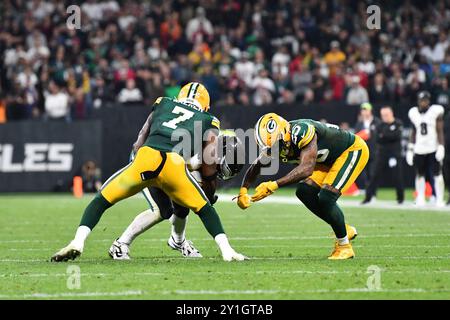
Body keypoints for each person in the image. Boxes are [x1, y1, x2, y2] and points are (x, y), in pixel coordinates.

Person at [51, 82, 247, 262]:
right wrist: (209, 192)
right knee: (194, 208)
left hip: (146, 156)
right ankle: (227, 250)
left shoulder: (164, 103)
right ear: (206, 107)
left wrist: (141, 165)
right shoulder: (208, 119)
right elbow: (208, 164)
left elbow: (140, 138)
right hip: (173, 163)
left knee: (102, 199)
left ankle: (78, 241)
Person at [237, 113, 369, 260]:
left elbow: (307, 168)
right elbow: (257, 165)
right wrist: (243, 190)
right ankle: (343, 229)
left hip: (350, 151)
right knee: (304, 192)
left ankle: (344, 247)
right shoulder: (276, 140)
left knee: (326, 197)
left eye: (276, 144)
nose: (275, 149)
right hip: (327, 161)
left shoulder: (301, 131)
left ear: (284, 133)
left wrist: (274, 185)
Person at [109, 131, 244, 259]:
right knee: (162, 210)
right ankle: (121, 244)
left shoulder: (207, 148)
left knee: (182, 206)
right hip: (149, 159)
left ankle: (178, 241)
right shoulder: (197, 153)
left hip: (167, 161)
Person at [406, 91, 445, 207]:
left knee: (437, 174)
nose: (424, 103)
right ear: (418, 101)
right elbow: (413, 131)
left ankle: (439, 198)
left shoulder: (435, 111)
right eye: (422, 100)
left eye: (426, 100)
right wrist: (410, 148)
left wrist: (441, 146)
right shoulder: (413, 113)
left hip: (432, 147)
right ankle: (420, 197)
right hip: (419, 148)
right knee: (419, 174)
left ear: (429, 101)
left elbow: (440, 130)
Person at [362, 106, 404, 204]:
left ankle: (400, 198)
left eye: (386, 115)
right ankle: (368, 197)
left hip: (395, 154)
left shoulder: (398, 123)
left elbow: (396, 136)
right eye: (383, 115)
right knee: (374, 176)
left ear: (391, 113)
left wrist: (384, 135)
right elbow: (377, 138)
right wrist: (387, 135)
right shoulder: (380, 125)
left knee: (397, 176)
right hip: (382, 154)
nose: (384, 117)